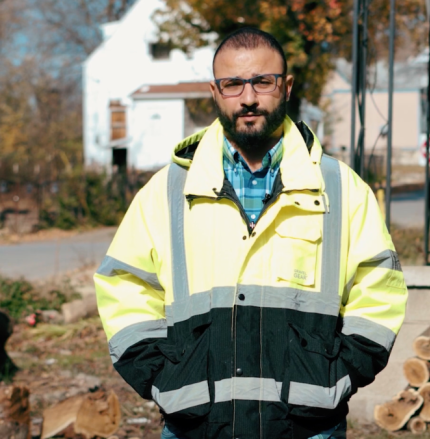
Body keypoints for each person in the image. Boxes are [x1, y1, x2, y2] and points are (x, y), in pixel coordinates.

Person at [94, 27, 408, 439]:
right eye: (233, 84)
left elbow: (378, 288)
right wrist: (163, 377)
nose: (248, 98)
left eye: (263, 81)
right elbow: (125, 287)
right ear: (214, 91)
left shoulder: (340, 187)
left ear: (287, 86)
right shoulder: (167, 191)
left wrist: (338, 373)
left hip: (309, 428)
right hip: (195, 427)